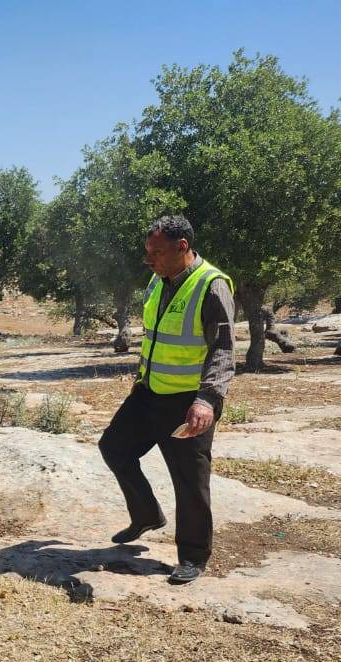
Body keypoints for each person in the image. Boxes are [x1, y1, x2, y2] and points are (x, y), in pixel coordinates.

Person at [98, 215, 236, 585]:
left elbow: (223, 349)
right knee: (113, 447)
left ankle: (193, 556)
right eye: (147, 251)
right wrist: (141, 379)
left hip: (188, 402)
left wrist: (207, 400)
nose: (148, 259)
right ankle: (146, 514)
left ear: (182, 247)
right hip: (149, 393)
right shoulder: (158, 281)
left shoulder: (211, 285)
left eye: (156, 252)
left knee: (190, 480)